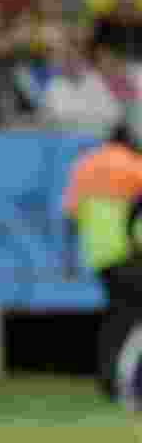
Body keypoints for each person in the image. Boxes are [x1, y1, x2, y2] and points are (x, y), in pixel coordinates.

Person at [63, 110, 142, 406]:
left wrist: (68, 259)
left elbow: (70, 216)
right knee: (130, 315)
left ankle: (108, 380)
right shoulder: (133, 165)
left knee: (119, 315)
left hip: (98, 255)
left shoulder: (84, 166)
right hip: (127, 252)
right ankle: (129, 381)